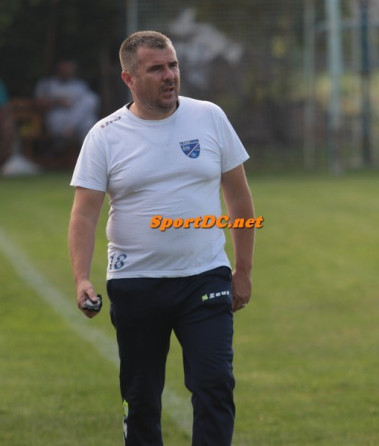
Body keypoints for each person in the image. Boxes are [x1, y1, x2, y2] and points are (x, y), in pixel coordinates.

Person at [68, 31, 256, 445]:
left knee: (215, 385)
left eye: (173, 65)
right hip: (136, 283)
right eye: (156, 69)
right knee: (141, 400)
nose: (170, 75)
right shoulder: (105, 135)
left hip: (205, 277)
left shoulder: (209, 117)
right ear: (129, 78)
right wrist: (81, 278)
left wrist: (242, 270)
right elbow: (84, 213)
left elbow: (239, 197)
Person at [35, 59, 99, 144]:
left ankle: (71, 126)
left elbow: (91, 105)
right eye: (64, 67)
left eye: (69, 67)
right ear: (58, 66)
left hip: (76, 124)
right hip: (58, 120)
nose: (67, 69)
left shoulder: (80, 85)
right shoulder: (47, 83)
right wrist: (57, 102)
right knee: (89, 124)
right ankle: (71, 128)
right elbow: (38, 104)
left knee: (91, 99)